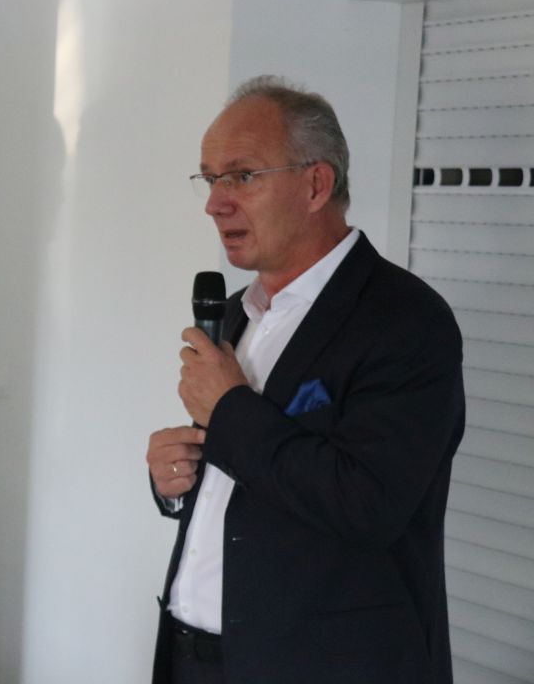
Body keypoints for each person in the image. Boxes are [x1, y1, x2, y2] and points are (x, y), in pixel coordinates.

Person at [145, 75, 464, 684]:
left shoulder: (405, 321)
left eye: (241, 176)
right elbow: (246, 481)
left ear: (316, 184)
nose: (215, 203)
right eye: (210, 180)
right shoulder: (236, 313)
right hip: (193, 658)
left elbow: (368, 505)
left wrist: (229, 409)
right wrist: (177, 482)